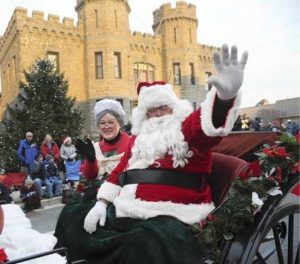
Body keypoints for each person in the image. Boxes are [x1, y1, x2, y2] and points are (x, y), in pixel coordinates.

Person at [55, 44, 248, 264]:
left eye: (162, 108)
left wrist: (224, 98)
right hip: (129, 205)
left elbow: (206, 128)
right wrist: (101, 203)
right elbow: (121, 169)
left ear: (174, 109)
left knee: (141, 243)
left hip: (174, 211)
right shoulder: (139, 139)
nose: (157, 115)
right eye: (151, 110)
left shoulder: (185, 129)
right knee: (74, 213)